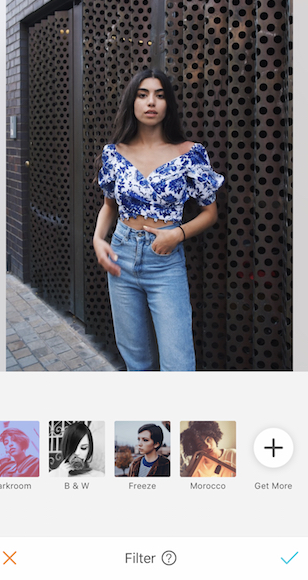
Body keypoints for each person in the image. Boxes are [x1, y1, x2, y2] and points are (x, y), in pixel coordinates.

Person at [93, 69, 224, 372]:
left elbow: (210, 213)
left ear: (168, 105)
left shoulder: (190, 154)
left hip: (165, 261)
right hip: (121, 255)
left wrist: (177, 234)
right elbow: (109, 205)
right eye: (143, 94)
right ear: (132, 102)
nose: (151, 102)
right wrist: (99, 239)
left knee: (178, 366)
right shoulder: (114, 153)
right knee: (136, 362)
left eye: (160, 95)